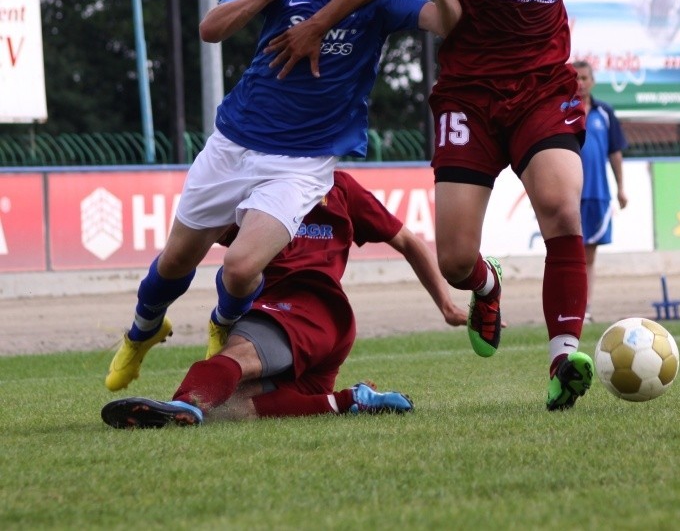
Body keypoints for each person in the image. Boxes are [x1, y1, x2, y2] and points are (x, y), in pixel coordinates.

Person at [265, 0, 596, 411]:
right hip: (468, 95)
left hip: (542, 89)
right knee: (455, 259)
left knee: (560, 205)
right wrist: (316, 23)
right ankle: (487, 283)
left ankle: (563, 355)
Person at [105, 0, 462, 392]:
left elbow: (445, 24)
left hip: (303, 163)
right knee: (176, 261)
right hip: (233, 143)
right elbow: (210, 28)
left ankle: (223, 325)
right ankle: (142, 331)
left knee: (239, 267)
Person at [101, 170, 468, 427]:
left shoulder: (339, 186)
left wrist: (447, 304)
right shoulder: (257, 188)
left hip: (304, 306)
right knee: (233, 406)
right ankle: (349, 402)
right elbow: (197, 244)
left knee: (234, 359)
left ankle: (182, 404)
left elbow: (407, 241)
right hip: (323, 329)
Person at [572, 61, 628, 322]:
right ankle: (570, 305)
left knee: (588, 255)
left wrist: (621, 189)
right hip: (569, 195)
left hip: (597, 194)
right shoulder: (562, 112)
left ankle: (585, 307)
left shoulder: (605, 113)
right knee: (570, 253)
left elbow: (615, 152)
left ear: (592, 81)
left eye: (584, 78)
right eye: (576, 78)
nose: (580, 83)